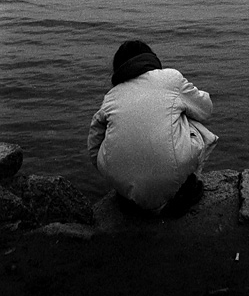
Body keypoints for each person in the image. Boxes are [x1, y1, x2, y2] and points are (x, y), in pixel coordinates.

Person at [87, 40, 218, 215]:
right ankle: (186, 185)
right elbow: (205, 109)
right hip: (171, 175)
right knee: (188, 121)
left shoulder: (111, 97)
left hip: (122, 186)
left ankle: (133, 194)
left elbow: (94, 144)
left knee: (115, 131)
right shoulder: (170, 78)